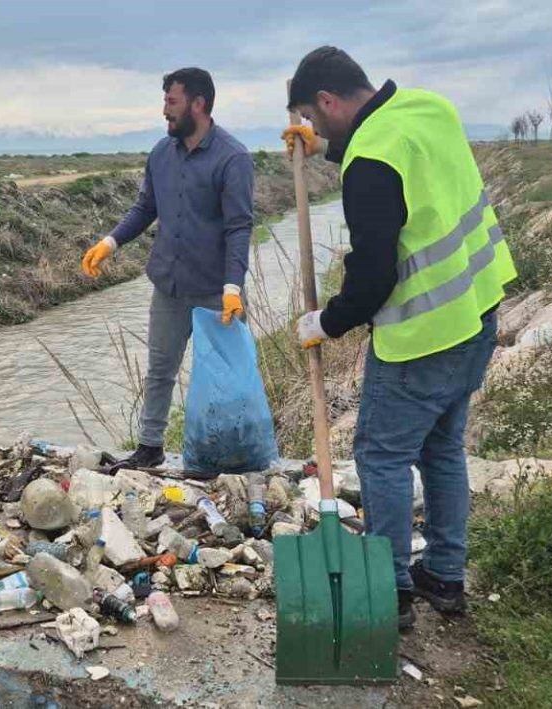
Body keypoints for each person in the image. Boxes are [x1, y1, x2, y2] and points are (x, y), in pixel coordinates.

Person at [283, 47, 516, 628]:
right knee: (441, 449)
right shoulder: (428, 108)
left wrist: (327, 322)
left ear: (328, 100)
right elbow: (401, 174)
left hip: (422, 337)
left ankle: (390, 590)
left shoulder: (369, 159)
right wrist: (322, 148)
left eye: (311, 118)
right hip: (478, 312)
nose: (313, 129)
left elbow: (373, 275)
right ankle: (445, 574)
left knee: (381, 456)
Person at [80, 67, 256, 477]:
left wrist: (233, 286)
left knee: (227, 376)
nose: (164, 110)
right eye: (164, 101)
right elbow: (145, 208)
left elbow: (239, 227)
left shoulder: (233, 158)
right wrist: (110, 243)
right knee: (160, 370)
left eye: (172, 102)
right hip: (169, 286)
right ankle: (150, 448)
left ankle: (229, 455)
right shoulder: (161, 153)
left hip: (217, 291)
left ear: (198, 104)